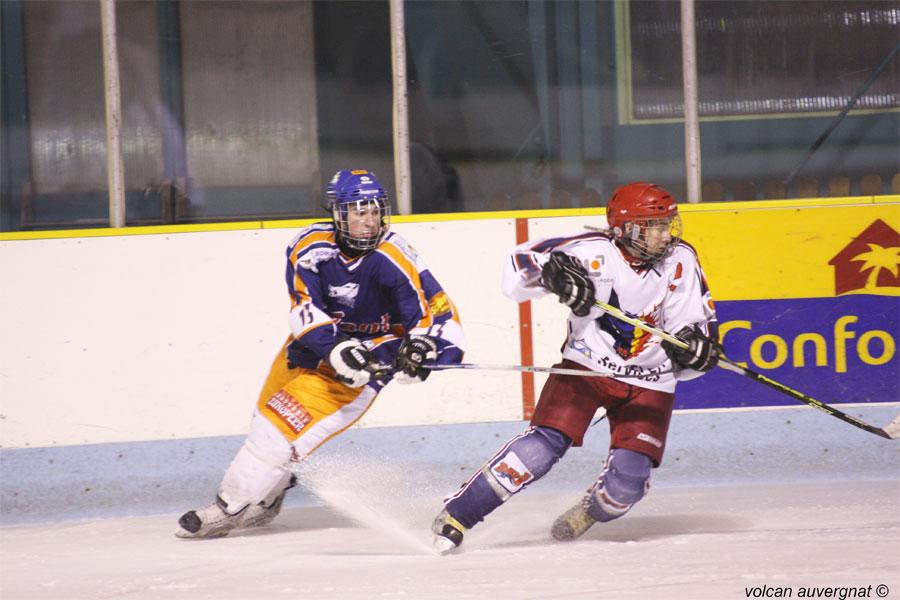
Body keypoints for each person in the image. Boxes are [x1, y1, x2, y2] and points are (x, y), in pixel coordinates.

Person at [431, 182, 721, 552]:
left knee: (625, 488)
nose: (666, 235)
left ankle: (588, 512)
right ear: (627, 229)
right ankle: (457, 514)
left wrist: (695, 351)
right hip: (586, 369)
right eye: (656, 226)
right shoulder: (592, 251)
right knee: (540, 450)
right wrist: (554, 276)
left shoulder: (681, 259)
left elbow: (693, 327)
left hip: (651, 380)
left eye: (668, 225)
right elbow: (518, 266)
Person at [177, 169, 465, 538]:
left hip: (365, 363)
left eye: (375, 211)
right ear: (337, 214)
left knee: (275, 432)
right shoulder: (310, 247)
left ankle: (225, 510)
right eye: (358, 212)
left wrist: (425, 349)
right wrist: (335, 347)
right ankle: (267, 497)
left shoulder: (394, 256)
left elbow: (435, 314)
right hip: (308, 349)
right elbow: (304, 308)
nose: (369, 221)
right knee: (264, 419)